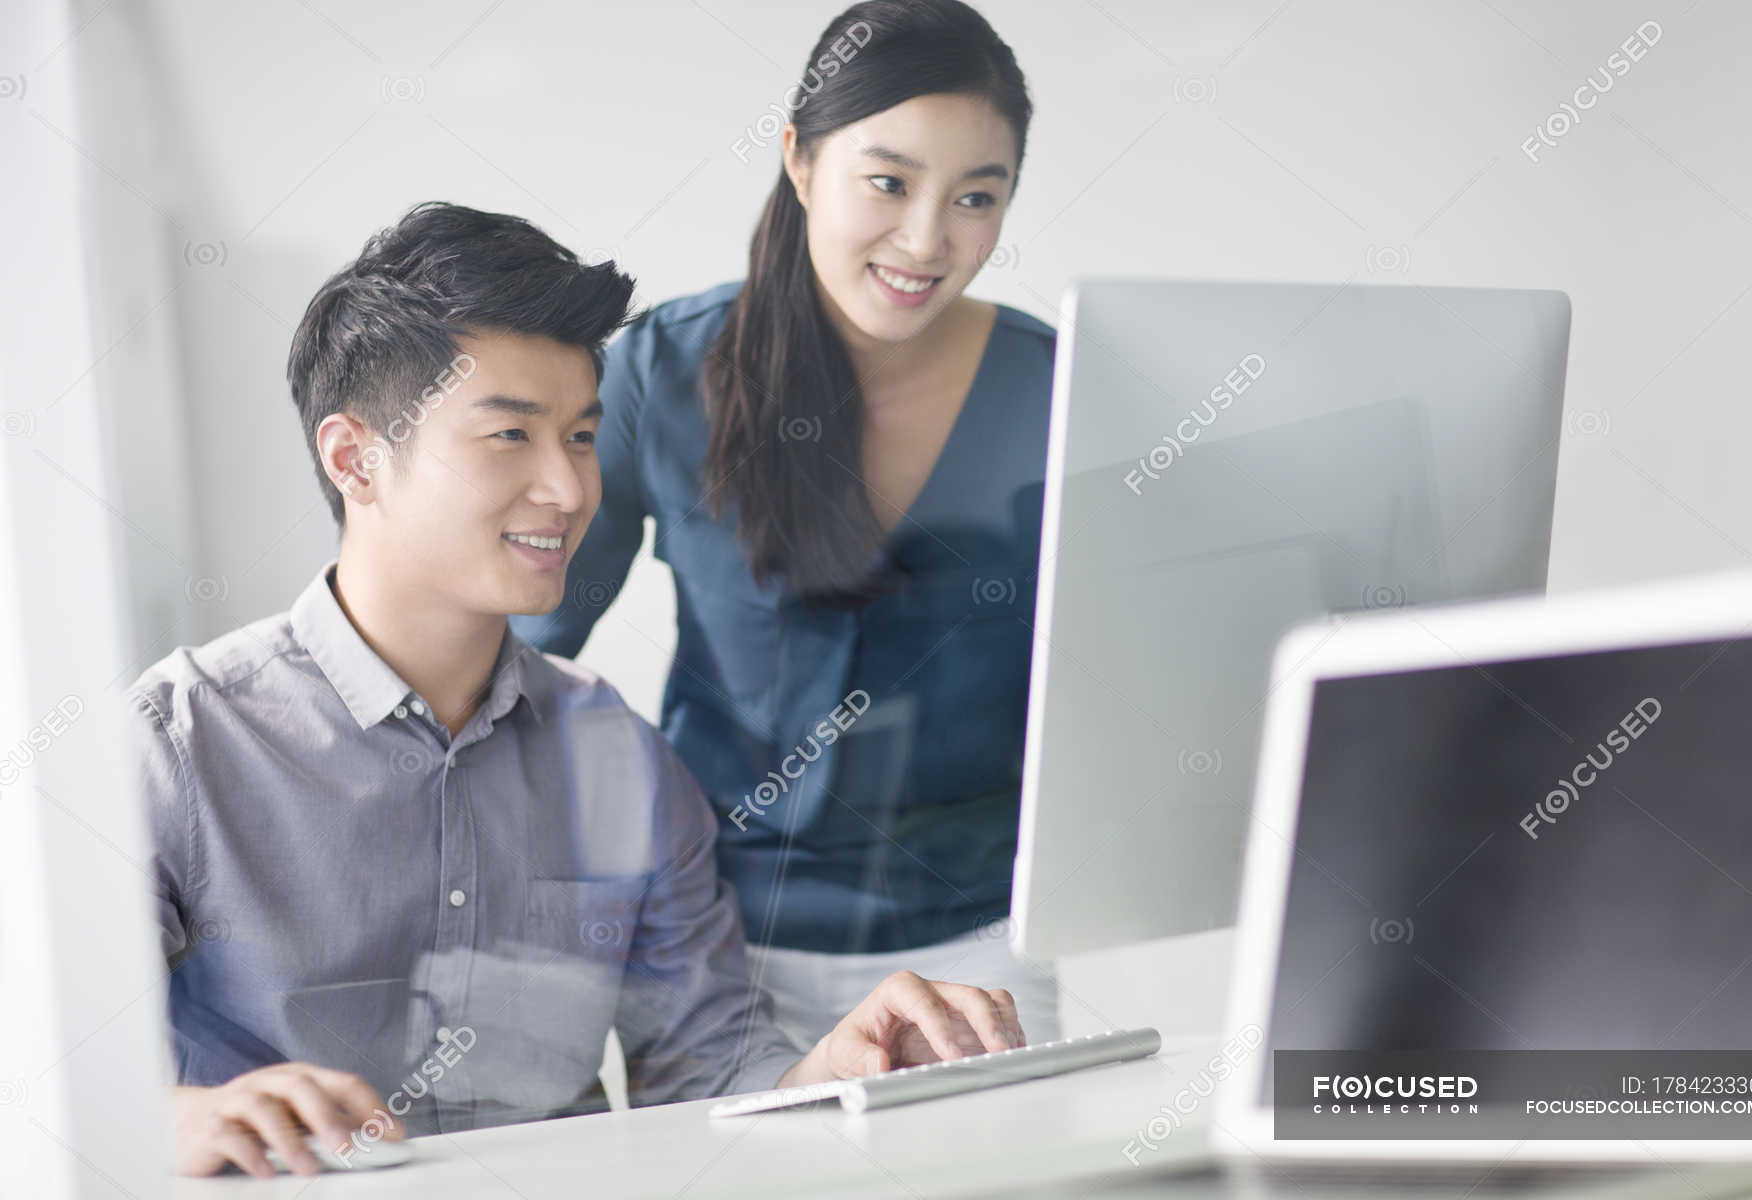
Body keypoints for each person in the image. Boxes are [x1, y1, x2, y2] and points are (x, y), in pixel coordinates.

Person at [128, 202, 1025, 1178]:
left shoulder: (612, 755)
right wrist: (170, 1117)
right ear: (355, 460)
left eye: (585, 437)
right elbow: (41, 1060)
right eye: (511, 435)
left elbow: (702, 1068)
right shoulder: (181, 743)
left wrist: (839, 1062)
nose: (567, 488)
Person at [511, 0, 1059, 1049]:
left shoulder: (1059, 387)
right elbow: (523, 651)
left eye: (976, 197)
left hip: (987, 945)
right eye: (889, 182)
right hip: (723, 946)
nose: (926, 239)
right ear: (801, 163)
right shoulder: (659, 374)